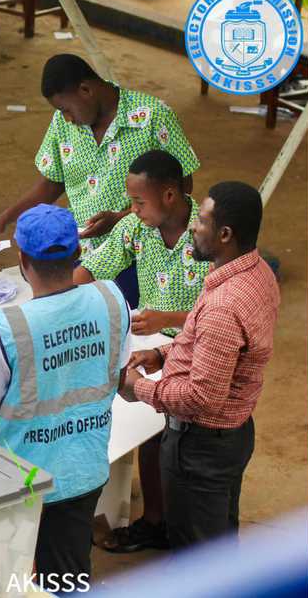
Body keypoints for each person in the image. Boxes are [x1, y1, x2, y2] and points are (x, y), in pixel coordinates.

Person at [0, 203, 132, 582]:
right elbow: (116, 375)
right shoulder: (111, 301)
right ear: (79, 253)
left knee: (3, 577)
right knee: (67, 576)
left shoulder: (7, 327)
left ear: (22, 260)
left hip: (20, 480)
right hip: (84, 471)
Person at [0, 53, 200, 311]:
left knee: (110, 309)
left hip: (138, 254)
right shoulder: (63, 124)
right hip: (81, 251)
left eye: (66, 109)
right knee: (45, 285)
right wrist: (3, 219)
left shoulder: (152, 117)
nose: (66, 117)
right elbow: (51, 183)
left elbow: (183, 186)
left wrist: (123, 218)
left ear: (86, 90)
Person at [121, 181, 280, 548]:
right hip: (231, 436)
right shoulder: (257, 274)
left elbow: (201, 398)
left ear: (225, 234)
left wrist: (138, 388)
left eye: (202, 221)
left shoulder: (224, 305)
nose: (194, 226)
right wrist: (162, 354)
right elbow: (218, 347)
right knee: (219, 539)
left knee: (197, 556)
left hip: (200, 448)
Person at [73, 149, 211, 553]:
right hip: (149, 347)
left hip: (198, 348)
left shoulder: (207, 235)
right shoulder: (136, 228)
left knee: (172, 439)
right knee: (145, 431)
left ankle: (163, 523)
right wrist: (58, 299)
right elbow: (93, 269)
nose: (131, 210)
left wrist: (166, 316)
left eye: (138, 202)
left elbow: (224, 314)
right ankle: (155, 518)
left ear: (170, 195)